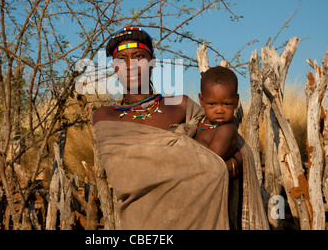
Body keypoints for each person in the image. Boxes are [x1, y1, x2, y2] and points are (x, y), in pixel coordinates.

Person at [93, 26, 269, 230]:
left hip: (200, 219)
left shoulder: (180, 105)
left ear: (152, 62)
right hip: (143, 224)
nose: (130, 65)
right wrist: (210, 170)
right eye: (121, 59)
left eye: (138, 56)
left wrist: (216, 168)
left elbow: (234, 146)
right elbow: (125, 177)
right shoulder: (105, 116)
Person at [194, 66, 243, 179]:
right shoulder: (202, 121)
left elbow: (209, 162)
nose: (219, 110)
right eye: (212, 104)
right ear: (201, 101)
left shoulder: (226, 130)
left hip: (208, 181)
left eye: (226, 104)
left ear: (236, 101)